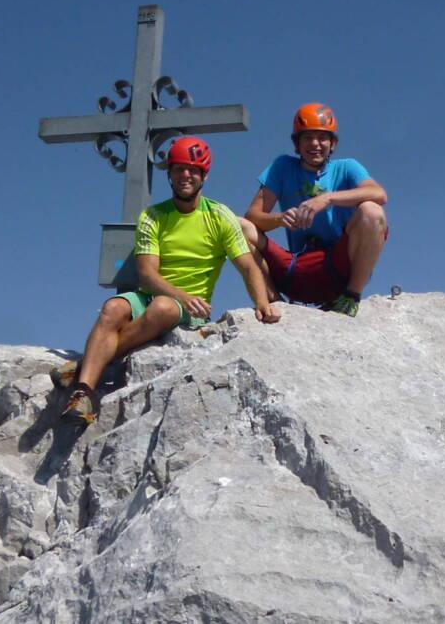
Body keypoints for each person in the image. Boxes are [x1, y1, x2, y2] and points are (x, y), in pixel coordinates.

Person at [62, 136, 280, 424]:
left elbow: (248, 266)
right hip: (157, 296)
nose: (185, 175)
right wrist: (182, 295)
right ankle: (81, 392)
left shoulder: (219, 215)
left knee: (163, 307)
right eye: (178, 169)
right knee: (113, 308)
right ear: (170, 173)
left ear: (205, 175)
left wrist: (262, 303)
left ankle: (83, 368)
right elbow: (147, 274)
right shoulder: (153, 216)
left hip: (188, 309)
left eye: (193, 169)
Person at [241, 103, 388, 317]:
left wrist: (327, 199)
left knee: (371, 211)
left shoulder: (347, 167)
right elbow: (252, 216)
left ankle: (350, 297)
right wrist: (280, 219)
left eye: (322, 138)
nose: (315, 144)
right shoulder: (282, 167)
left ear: (332, 143)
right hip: (297, 269)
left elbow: (379, 194)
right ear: (297, 144)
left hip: (339, 269)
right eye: (307, 138)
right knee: (237, 226)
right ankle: (274, 301)